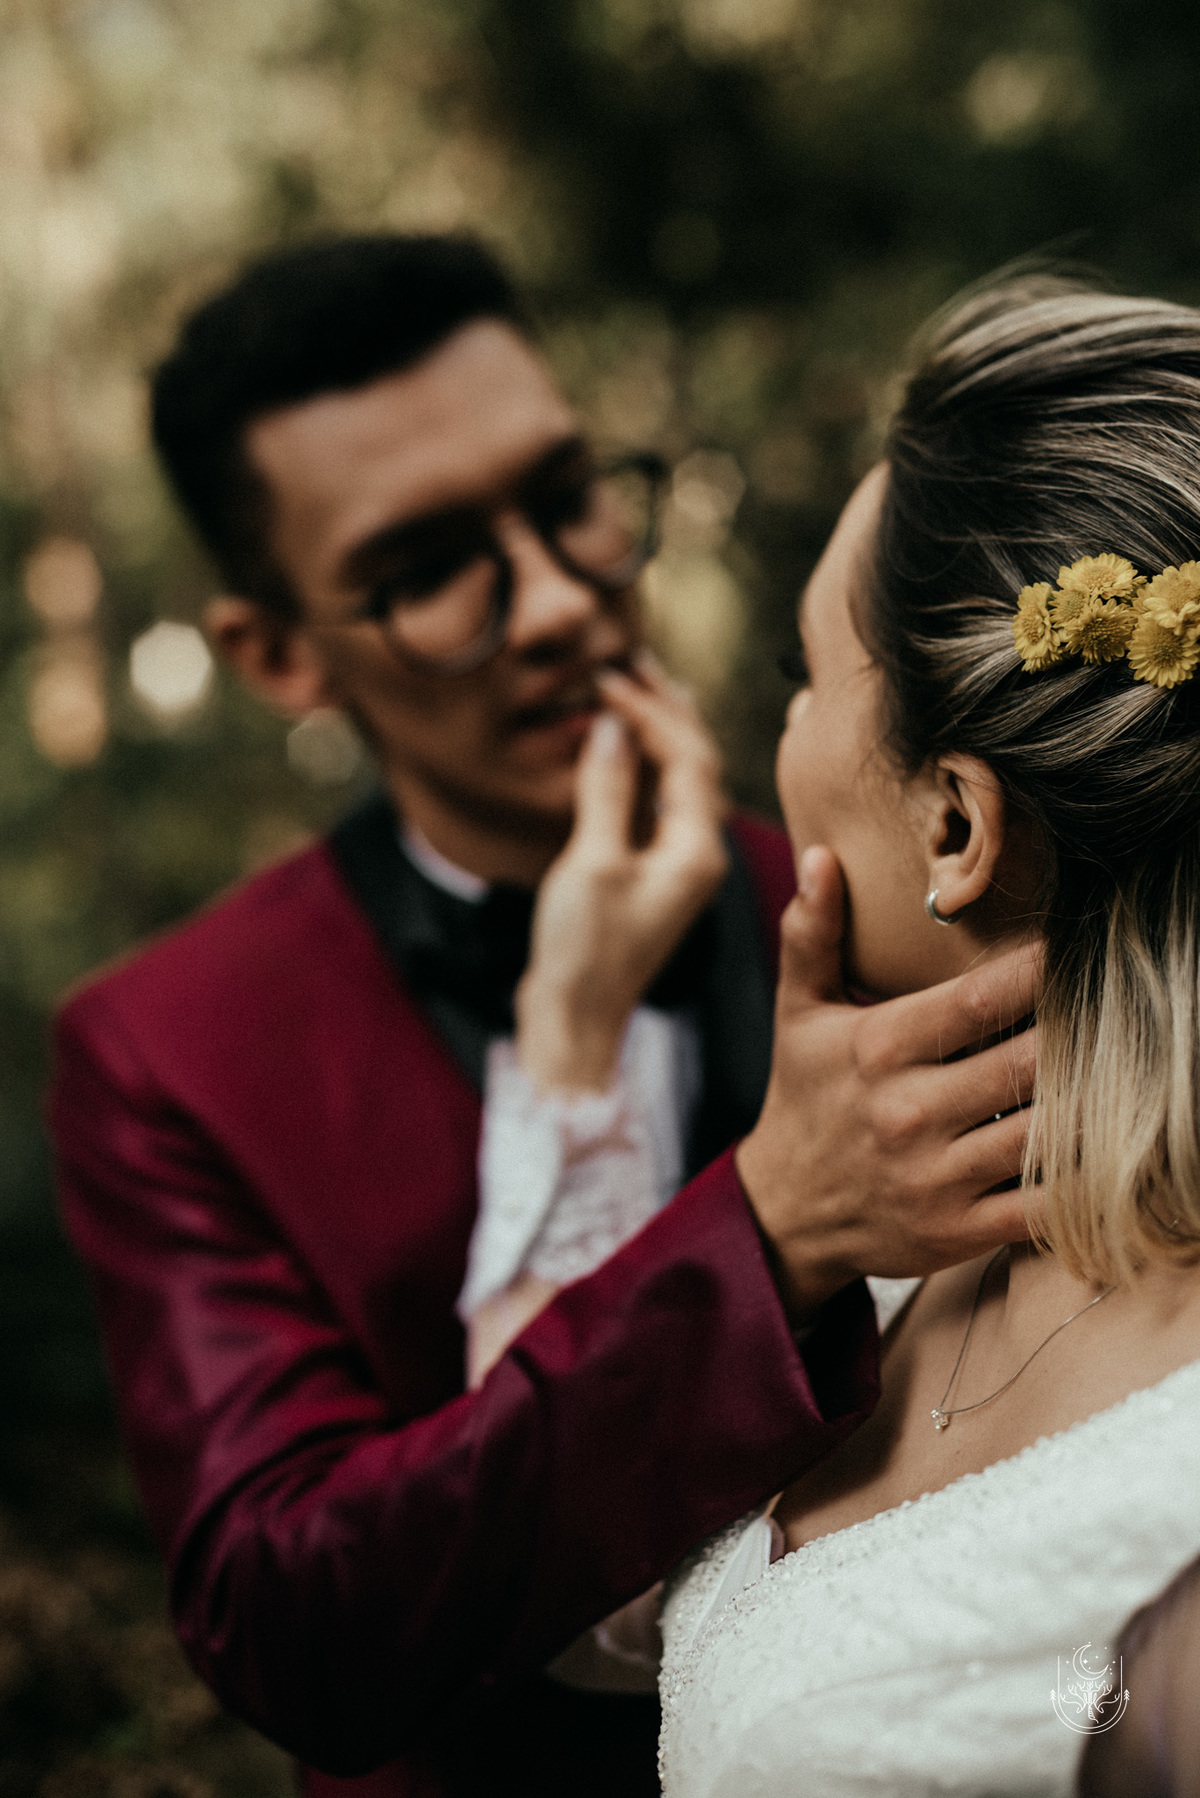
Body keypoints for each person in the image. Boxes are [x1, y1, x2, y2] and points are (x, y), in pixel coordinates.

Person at [49, 234, 1033, 1798]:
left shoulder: (918, 905)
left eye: (567, 498)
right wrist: (766, 1231)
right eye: (431, 566)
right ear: (279, 652)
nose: (566, 599)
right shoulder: (166, 1048)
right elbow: (291, 1624)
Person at [636, 275, 1200, 1798]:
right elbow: (556, 1580)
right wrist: (572, 1048)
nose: (782, 736)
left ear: (954, 824)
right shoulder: (898, 1226)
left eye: (804, 677)